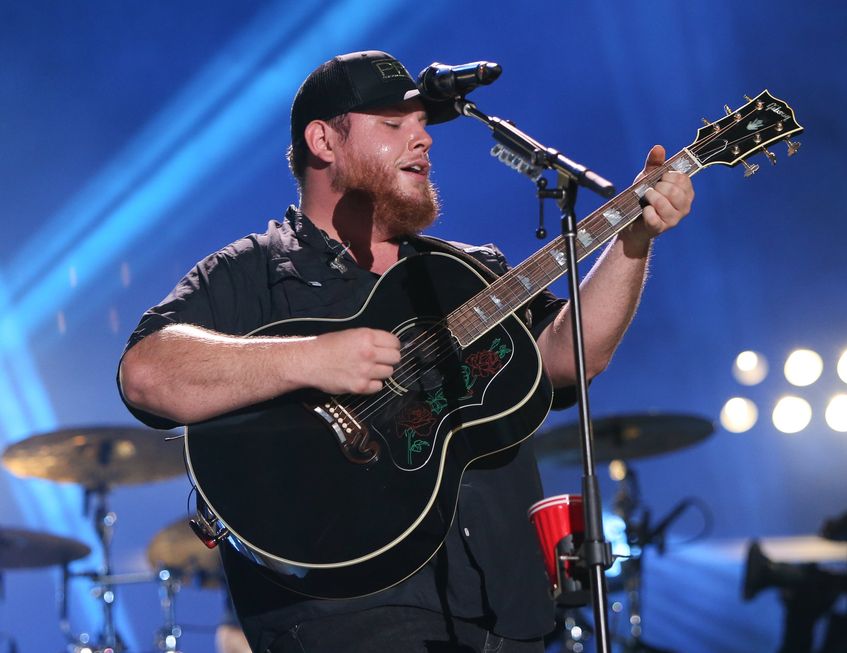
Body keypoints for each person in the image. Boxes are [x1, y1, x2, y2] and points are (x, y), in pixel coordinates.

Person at [118, 50, 694, 653]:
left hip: (507, 610)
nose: (423, 140)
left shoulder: (467, 272)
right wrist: (309, 358)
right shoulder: (255, 271)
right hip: (348, 617)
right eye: (393, 124)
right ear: (323, 140)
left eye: (423, 125)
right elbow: (147, 372)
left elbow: (569, 357)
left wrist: (634, 238)